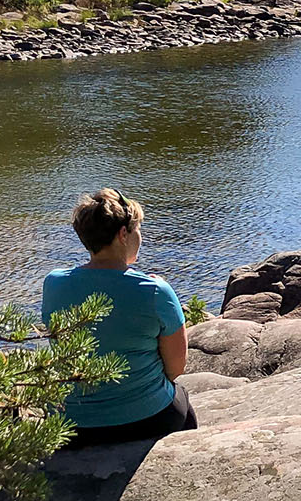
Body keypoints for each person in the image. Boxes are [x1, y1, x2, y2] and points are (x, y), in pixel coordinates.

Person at [41, 189, 196, 445]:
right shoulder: (155, 291)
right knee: (183, 401)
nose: (140, 236)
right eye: (138, 229)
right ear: (123, 234)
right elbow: (176, 369)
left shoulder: (54, 283)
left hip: (72, 425)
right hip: (147, 419)